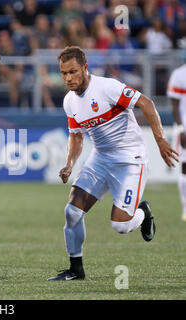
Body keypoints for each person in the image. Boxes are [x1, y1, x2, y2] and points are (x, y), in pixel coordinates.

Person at [47, 46, 178, 281]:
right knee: (72, 212)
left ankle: (142, 213)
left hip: (130, 160)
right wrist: (69, 164)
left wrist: (160, 141)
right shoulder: (69, 102)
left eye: (73, 72)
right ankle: (76, 270)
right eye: (64, 73)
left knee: (121, 226)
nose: (68, 78)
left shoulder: (107, 87)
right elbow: (76, 136)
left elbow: (146, 103)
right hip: (100, 158)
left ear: (85, 68)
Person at [167, 62, 186, 221]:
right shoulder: (179, 75)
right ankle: (185, 207)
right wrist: (181, 129)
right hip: (184, 127)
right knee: (185, 167)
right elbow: (174, 106)